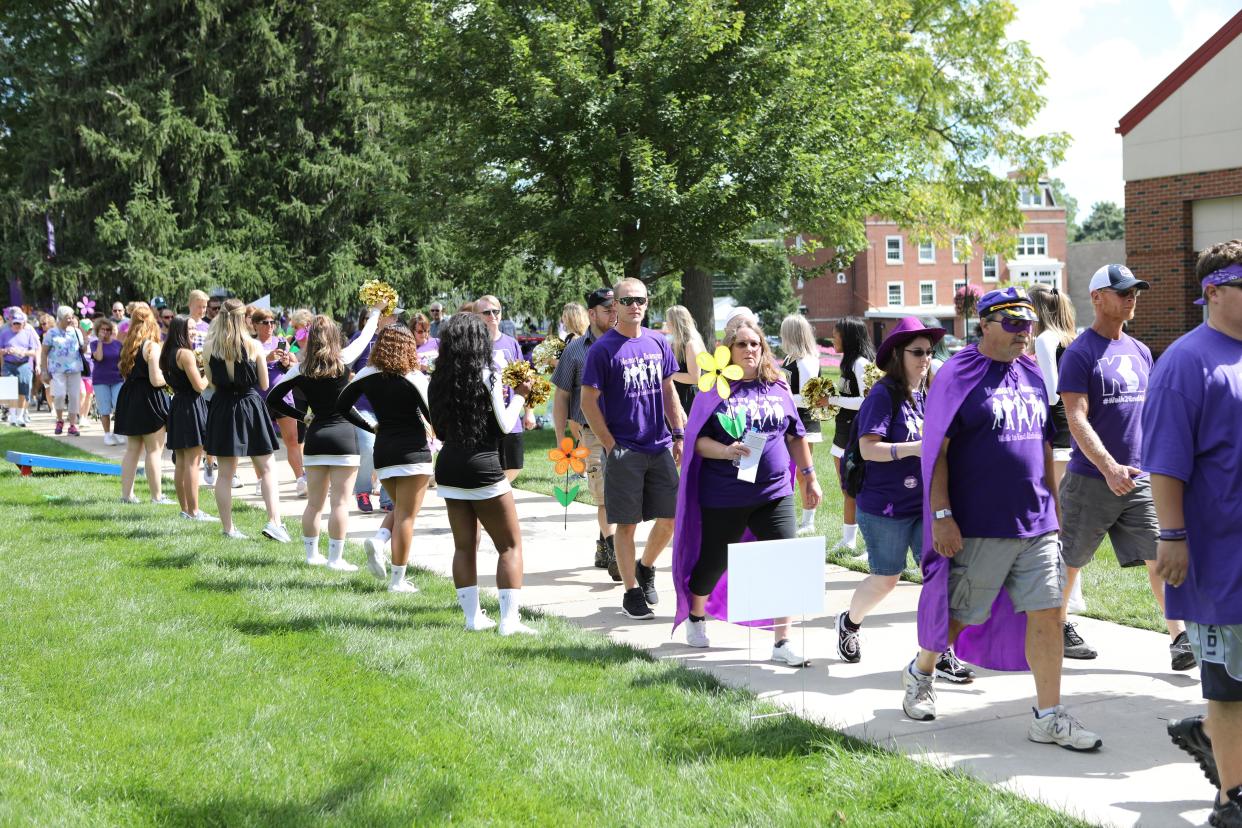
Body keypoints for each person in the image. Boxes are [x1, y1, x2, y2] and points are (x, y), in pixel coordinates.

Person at [905, 286, 1102, 751]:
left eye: (1028, 323)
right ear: (985, 325)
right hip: (978, 525)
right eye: (1013, 323)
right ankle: (922, 670)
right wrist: (942, 515)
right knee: (958, 617)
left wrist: (1054, 511)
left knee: (1049, 616)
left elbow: (1042, 446)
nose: (1024, 332)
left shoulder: (1034, 373)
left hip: (1037, 523)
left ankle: (1048, 715)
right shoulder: (956, 375)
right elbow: (938, 454)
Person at [1143, 241, 1242, 827]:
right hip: (1219, 553)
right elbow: (1166, 462)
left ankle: (1210, 740)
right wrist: (1172, 534)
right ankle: (1232, 801)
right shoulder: (1186, 361)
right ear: (1213, 290)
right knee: (1230, 686)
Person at [1055, 264, 1192, 668]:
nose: (1131, 297)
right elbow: (1076, 417)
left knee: (1160, 555)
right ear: (1097, 298)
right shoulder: (1080, 353)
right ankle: (1058, 625)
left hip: (1139, 477)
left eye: (1134, 291)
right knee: (1071, 559)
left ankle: (1180, 637)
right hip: (1090, 479)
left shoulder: (1140, 351)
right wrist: (1108, 466)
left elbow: (1148, 414)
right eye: (1122, 291)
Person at [832, 317, 975, 681]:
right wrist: (915, 449)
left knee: (940, 576)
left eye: (929, 352)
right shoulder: (884, 395)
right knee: (886, 579)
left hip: (924, 506)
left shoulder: (928, 394)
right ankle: (849, 622)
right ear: (897, 354)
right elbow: (867, 448)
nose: (925, 358)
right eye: (917, 352)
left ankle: (940, 652)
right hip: (884, 507)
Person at [672, 319, 820, 666]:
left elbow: (795, 435)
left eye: (756, 344)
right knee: (713, 562)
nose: (750, 350)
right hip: (724, 495)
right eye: (742, 344)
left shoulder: (777, 386)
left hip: (774, 492)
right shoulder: (716, 389)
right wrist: (725, 451)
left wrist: (809, 477)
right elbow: (697, 442)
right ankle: (696, 614)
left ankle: (782, 642)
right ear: (729, 350)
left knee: (786, 560)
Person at [580, 277, 686, 619]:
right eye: (626, 301)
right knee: (626, 525)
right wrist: (611, 445)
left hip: (659, 445)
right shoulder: (602, 350)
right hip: (625, 449)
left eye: (639, 300)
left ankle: (646, 566)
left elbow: (669, 392)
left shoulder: (658, 342)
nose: (633, 306)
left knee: (670, 519)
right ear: (616, 307)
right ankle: (630, 592)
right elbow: (587, 402)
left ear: (646, 302)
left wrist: (679, 433)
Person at [429, 313, 536, 635]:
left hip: (448, 466)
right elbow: (505, 426)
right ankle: (509, 621)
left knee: (464, 546)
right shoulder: (489, 374)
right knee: (509, 546)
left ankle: (473, 618)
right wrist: (520, 394)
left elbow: (440, 429)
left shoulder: (436, 379)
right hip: (484, 465)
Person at [267, 308, 381, 568]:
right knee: (340, 502)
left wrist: (301, 416)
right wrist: (375, 312)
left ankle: (311, 556)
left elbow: (273, 398)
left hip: (317, 437)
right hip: (343, 439)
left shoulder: (301, 369)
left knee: (314, 504)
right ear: (334, 336)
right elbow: (364, 337)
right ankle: (335, 559)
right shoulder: (344, 359)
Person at [337, 325, 432, 592]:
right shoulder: (413, 376)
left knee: (401, 509)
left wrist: (371, 427)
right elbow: (431, 414)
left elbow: (341, 405)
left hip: (385, 450)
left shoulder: (367, 374)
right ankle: (397, 581)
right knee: (406, 517)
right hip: (413, 450)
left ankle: (379, 540)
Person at [203, 298, 290, 542]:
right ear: (244, 319)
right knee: (267, 468)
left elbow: (211, 381)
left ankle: (228, 529)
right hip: (250, 405)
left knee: (225, 474)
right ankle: (274, 522)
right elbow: (263, 384)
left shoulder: (210, 347)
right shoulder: (253, 346)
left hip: (222, 407)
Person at [551, 287, 620, 575]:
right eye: (608, 309)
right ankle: (615, 550)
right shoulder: (576, 350)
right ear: (591, 314)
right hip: (590, 434)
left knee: (623, 494)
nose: (614, 314)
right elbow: (562, 396)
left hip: (626, 432)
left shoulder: (625, 343)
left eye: (616, 308)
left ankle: (605, 544)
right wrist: (561, 441)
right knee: (603, 494)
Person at [113, 303, 171, 504]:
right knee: (154, 450)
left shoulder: (128, 345)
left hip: (130, 396)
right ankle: (156, 496)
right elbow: (156, 380)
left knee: (132, 450)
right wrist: (171, 379)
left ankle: (126, 495)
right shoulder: (152, 346)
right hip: (149, 399)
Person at [828, 316, 875, 553]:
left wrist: (833, 400)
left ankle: (869, 545)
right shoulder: (847, 363)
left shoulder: (861, 364)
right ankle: (848, 540)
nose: (833, 338)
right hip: (842, 432)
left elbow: (868, 400)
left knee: (858, 489)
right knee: (846, 489)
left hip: (855, 435)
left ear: (848, 337)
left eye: (836, 334)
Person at [160, 315, 213, 521]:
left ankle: (185, 510)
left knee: (181, 461)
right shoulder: (185, 354)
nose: (193, 331)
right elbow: (199, 386)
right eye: (190, 329)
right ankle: (195, 511)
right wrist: (209, 371)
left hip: (177, 405)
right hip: (191, 406)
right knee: (193, 462)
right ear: (180, 330)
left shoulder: (167, 353)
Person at [476, 295, 534, 482]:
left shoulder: (511, 343)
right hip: (484, 420)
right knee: (488, 468)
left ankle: (500, 493)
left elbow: (524, 379)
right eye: (486, 312)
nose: (492, 315)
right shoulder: (472, 344)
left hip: (511, 414)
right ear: (476, 316)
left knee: (514, 465)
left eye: (496, 311)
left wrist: (529, 412)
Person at [346, 307, 398, 514]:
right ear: (380, 317)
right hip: (363, 404)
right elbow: (345, 368)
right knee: (368, 447)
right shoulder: (360, 338)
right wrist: (358, 381)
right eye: (392, 314)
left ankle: (387, 497)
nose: (395, 318)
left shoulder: (397, 337)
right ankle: (362, 490)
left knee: (389, 449)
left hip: (390, 406)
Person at [251, 306, 306, 496]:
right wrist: (267, 358)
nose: (269, 326)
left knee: (292, 439)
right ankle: (260, 479)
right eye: (265, 323)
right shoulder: (251, 344)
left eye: (272, 322)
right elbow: (248, 369)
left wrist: (286, 362)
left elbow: (294, 365)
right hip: (259, 399)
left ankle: (300, 479)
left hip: (284, 397)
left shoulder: (281, 341)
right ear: (255, 325)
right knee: (260, 441)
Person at [780, 313, 823, 534]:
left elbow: (810, 398)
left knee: (804, 473)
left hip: (804, 423)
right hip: (790, 421)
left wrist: (783, 398)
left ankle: (809, 520)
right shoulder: (790, 359)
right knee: (790, 471)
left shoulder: (807, 361)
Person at [40, 306, 89, 436]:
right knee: (60, 395)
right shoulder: (51, 333)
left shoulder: (76, 331)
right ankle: (60, 420)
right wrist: (44, 370)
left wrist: (85, 344)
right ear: (60, 318)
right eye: (68, 318)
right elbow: (44, 352)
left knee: (74, 396)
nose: (70, 320)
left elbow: (83, 350)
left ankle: (72, 425)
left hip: (75, 368)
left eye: (72, 317)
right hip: (57, 369)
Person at [664, 304, 705, 421]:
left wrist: (669, 374)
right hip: (679, 396)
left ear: (676, 322)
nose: (667, 324)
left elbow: (695, 378)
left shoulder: (691, 344)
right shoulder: (676, 343)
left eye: (668, 321)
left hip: (689, 398)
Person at [2, 310, 40, 426]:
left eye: (19, 323)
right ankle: (12, 416)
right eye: (15, 323)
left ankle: (20, 416)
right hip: (9, 364)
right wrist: (7, 350)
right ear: (11, 323)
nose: (17, 325)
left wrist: (24, 353)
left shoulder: (28, 333)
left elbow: (34, 351)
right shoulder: (4, 333)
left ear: (23, 323)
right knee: (10, 391)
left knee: (23, 390)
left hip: (24, 364)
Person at [90, 317, 125, 444]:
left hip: (117, 379)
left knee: (119, 406)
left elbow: (122, 361)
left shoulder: (117, 344)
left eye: (108, 329)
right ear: (97, 330)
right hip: (101, 380)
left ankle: (119, 432)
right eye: (102, 329)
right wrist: (100, 341)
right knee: (104, 409)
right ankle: (107, 434)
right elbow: (98, 357)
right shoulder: (94, 344)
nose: (105, 332)